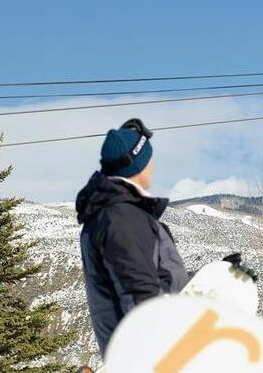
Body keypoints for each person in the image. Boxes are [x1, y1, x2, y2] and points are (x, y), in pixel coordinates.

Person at [76, 118, 191, 356]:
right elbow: (141, 296)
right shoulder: (121, 219)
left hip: (144, 356)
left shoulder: (113, 213)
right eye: (149, 158)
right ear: (138, 163)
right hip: (153, 361)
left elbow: (153, 278)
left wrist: (217, 275)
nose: (153, 165)